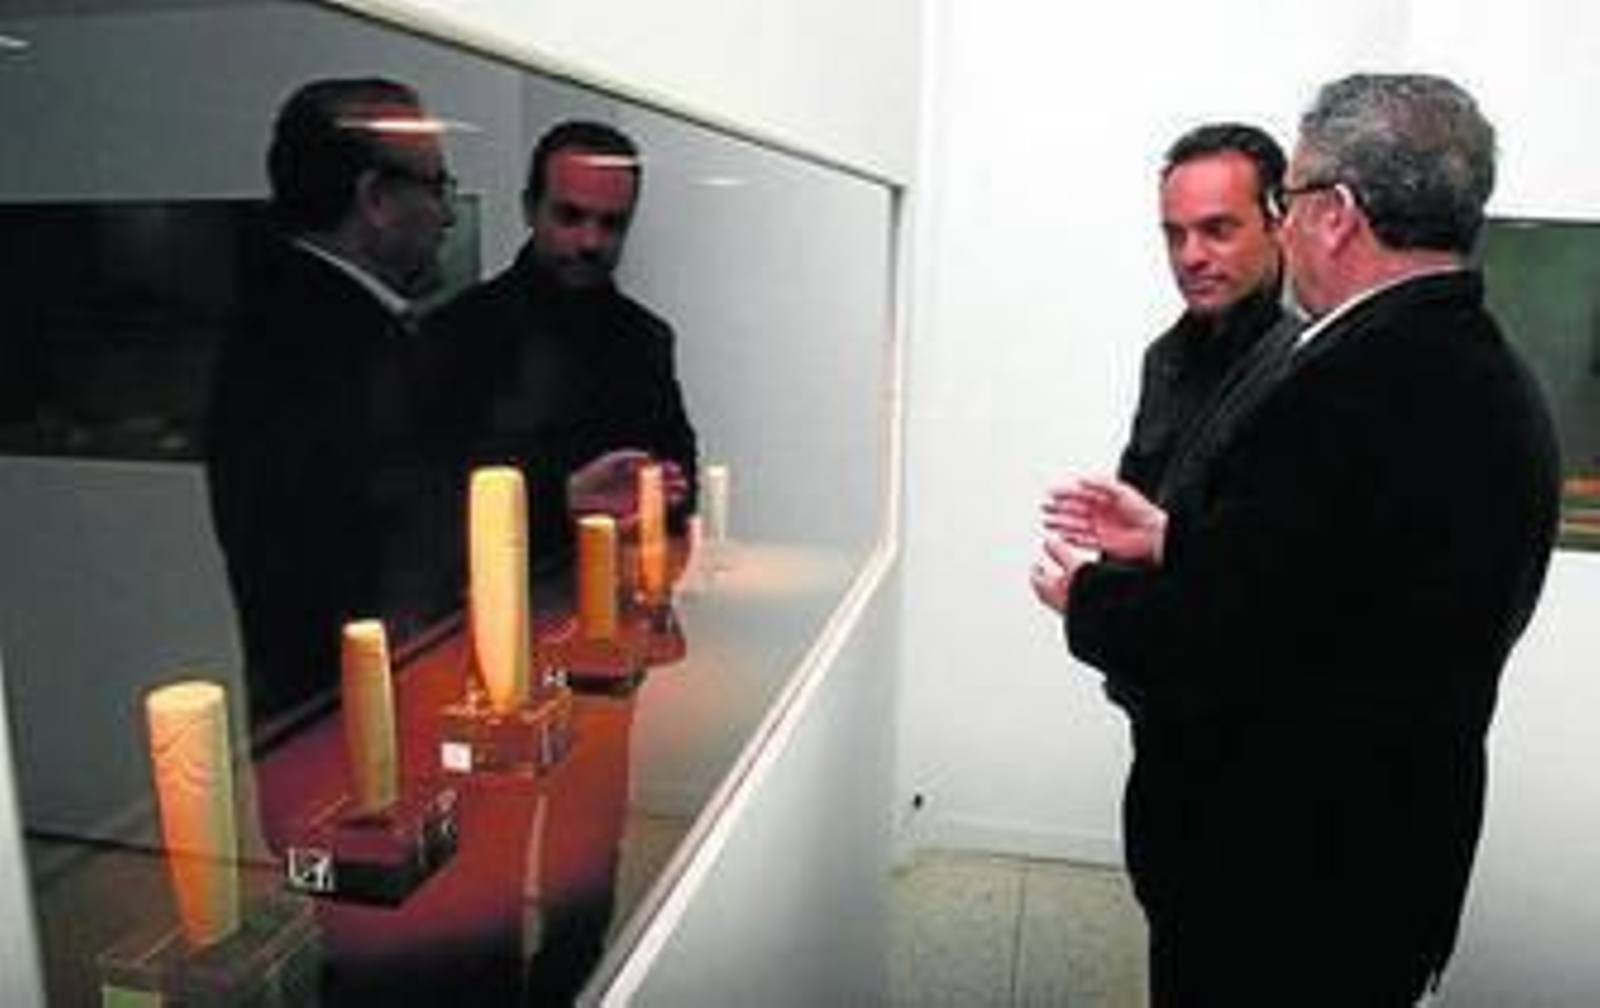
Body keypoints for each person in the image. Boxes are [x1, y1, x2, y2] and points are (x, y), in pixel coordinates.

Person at [1031, 73, 1561, 1006]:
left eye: (1289, 197)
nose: (1280, 223)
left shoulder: (1343, 389)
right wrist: (1174, 537)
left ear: (1336, 213)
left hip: (1281, 880)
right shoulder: (1492, 373)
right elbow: (1327, 589)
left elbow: (1215, 641)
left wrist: (1086, 594)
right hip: (1383, 858)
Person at [205, 77, 458, 734]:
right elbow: (401, 546)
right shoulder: (331, 344)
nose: (449, 215)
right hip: (361, 729)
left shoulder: (293, 317)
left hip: (338, 714)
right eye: (436, 187)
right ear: (375, 199)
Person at [424, 119, 698, 576]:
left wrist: (655, 504)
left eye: (612, 223)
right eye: (570, 216)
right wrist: (567, 499)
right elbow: (429, 508)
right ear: (530, 210)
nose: (591, 240)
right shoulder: (455, 335)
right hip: (494, 600)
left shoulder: (647, 339)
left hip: (623, 593)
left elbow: (680, 481)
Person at [1119, 122, 1297, 507]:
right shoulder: (1165, 360)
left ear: (1279, 223)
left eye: (1217, 230)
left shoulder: (1319, 355)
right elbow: (1133, 510)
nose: (1190, 257)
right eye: (1175, 236)